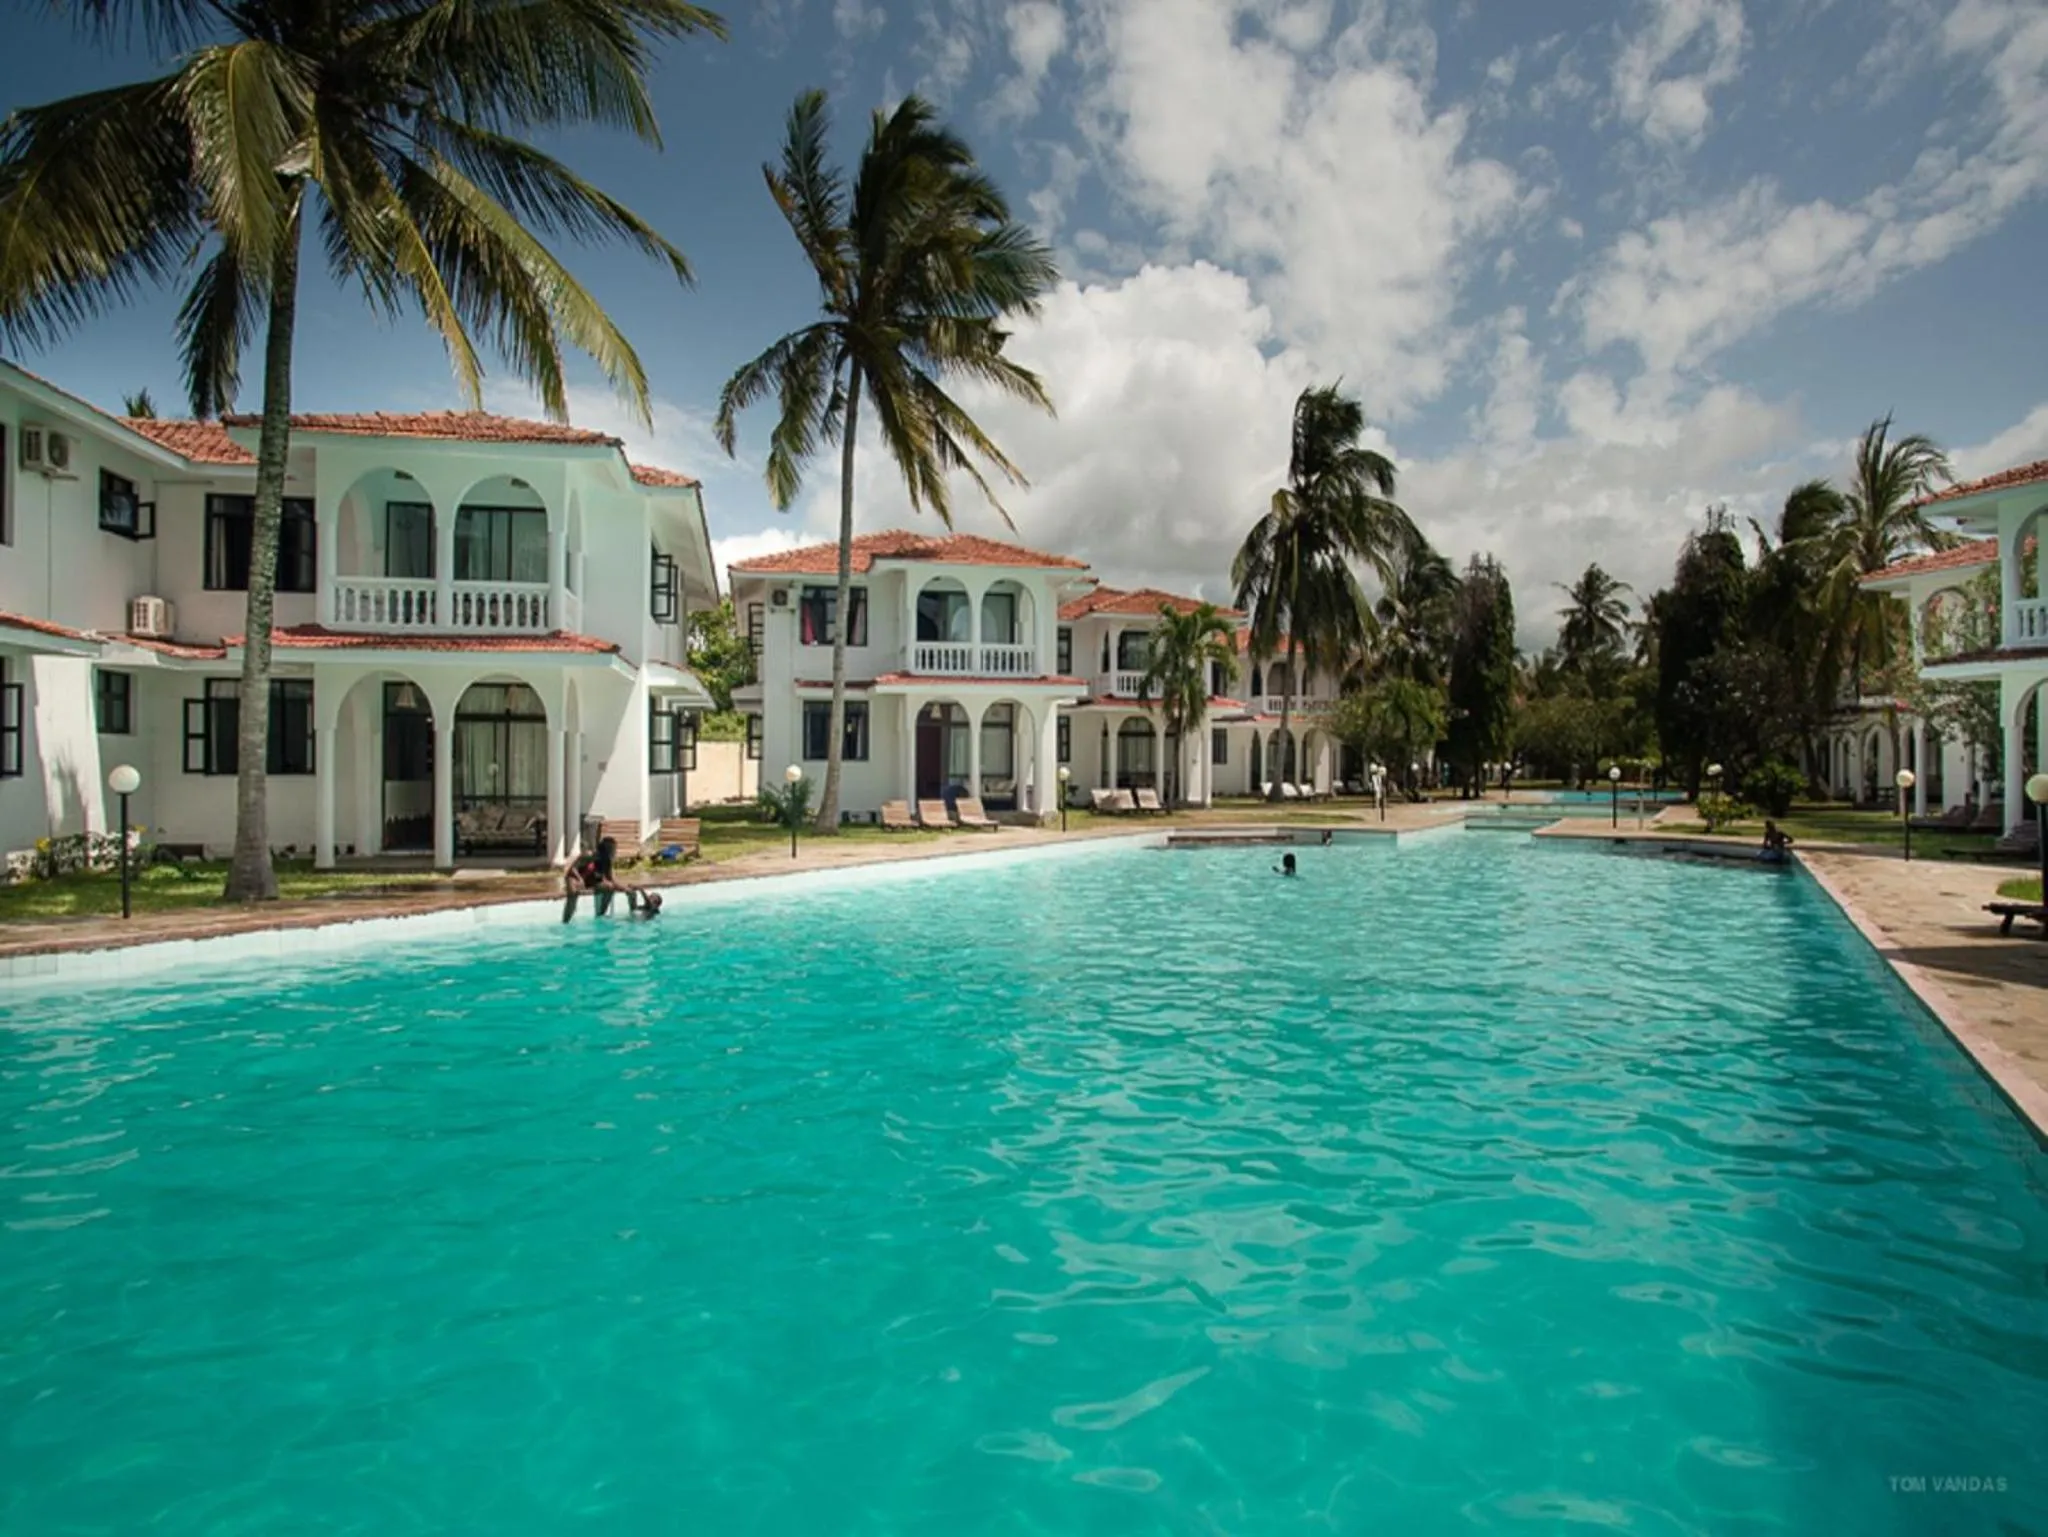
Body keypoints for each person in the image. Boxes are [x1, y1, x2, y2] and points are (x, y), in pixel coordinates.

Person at [562, 836, 624, 921]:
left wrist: (624, 888)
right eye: (613, 849)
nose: (615, 852)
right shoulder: (589, 855)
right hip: (575, 877)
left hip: (591, 880)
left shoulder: (607, 861)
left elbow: (611, 880)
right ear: (607, 849)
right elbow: (572, 869)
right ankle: (566, 920)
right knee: (573, 891)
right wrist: (580, 879)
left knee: (610, 887)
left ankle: (600, 915)